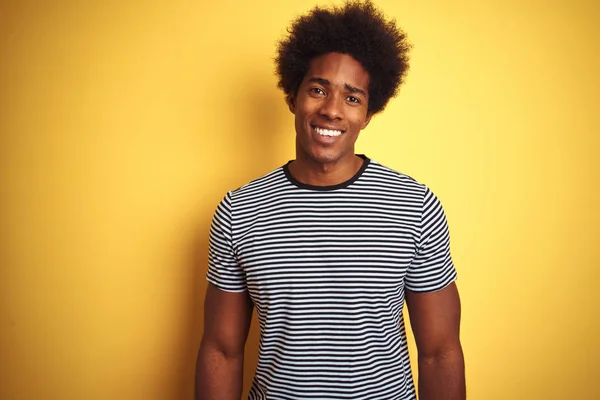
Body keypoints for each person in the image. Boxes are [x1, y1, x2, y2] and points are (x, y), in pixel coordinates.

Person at [195, 1, 465, 399]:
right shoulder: (239, 210)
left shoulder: (413, 205)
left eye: (352, 98)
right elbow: (221, 349)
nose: (332, 111)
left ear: (368, 113)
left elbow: (440, 353)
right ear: (293, 96)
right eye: (318, 90)